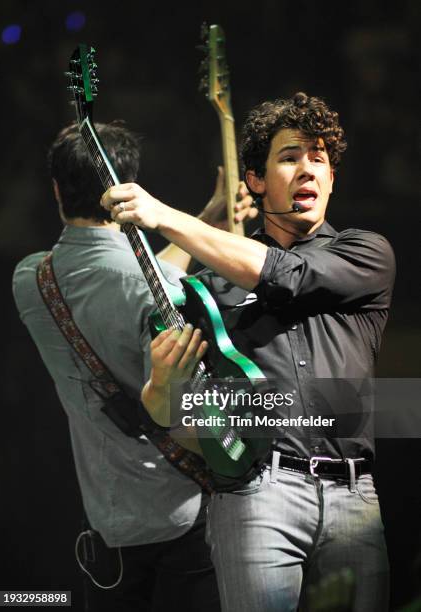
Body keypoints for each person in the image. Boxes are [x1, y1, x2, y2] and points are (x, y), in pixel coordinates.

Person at [101, 92, 395, 612]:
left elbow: (284, 273)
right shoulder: (209, 292)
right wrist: (165, 386)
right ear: (255, 181)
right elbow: (174, 419)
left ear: (331, 179)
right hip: (257, 495)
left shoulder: (365, 253)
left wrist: (163, 215)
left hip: (355, 498)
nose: (307, 168)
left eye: (318, 158)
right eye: (289, 157)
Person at [12, 120, 256, 612]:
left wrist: (202, 221)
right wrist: (206, 233)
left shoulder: (30, 280)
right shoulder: (162, 288)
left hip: (108, 525)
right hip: (185, 517)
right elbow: (147, 288)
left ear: (57, 189)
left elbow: (124, 281)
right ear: (126, 189)